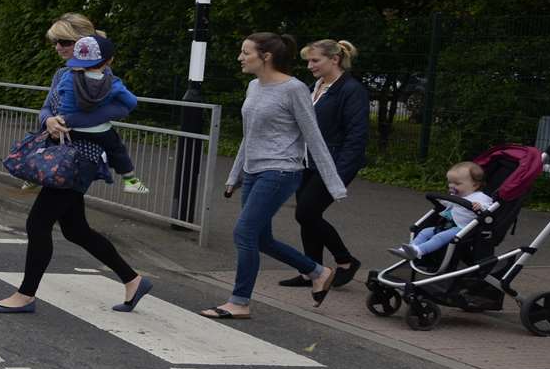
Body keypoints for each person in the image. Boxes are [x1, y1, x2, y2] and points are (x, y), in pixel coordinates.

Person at [0, 26, 155, 315]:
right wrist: (49, 120)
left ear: (82, 45)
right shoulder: (63, 75)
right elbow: (46, 108)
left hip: (77, 160)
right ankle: (133, 280)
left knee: (38, 223)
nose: (58, 48)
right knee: (76, 230)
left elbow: (118, 110)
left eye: (64, 42)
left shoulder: (102, 80)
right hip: (63, 155)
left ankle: (25, 295)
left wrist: (71, 119)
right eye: (55, 42)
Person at [202, 32, 348, 320]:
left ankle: (240, 301)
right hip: (255, 171)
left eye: (246, 53)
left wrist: (334, 185)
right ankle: (318, 272)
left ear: (265, 57)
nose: (240, 58)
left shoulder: (294, 90)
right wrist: (235, 175)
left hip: (281, 170)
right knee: (260, 239)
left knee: (243, 233)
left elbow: (313, 136)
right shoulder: (253, 87)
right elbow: (250, 135)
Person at [278, 39, 369, 289]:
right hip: (306, 162)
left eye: (315, 60)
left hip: (331, 165)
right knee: (308, 216)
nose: (309, 65)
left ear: (335, 60)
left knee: (305, 212)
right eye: (308, 60)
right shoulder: (314, 87)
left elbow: (356, 135)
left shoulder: (351, 90)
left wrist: (340, 172)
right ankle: (312, 270)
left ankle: (345, 261)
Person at [54, 36, 149, 194]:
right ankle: (130, 180)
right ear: (109, 60)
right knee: (117, 150)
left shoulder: (68, 77)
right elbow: (132, 102)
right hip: (101, 130)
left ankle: (34, 174)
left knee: (51, 144)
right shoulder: (113, 83)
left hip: (69, 127)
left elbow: (60, 93)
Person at [390, 161, 497, 264]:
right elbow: (446, 205)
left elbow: (488, 209)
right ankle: (409, 249)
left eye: (457, 183)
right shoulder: (455, 196)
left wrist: (480, 206)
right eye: (450, 182)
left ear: (475, 185)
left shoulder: (480, 197)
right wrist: (439, 199)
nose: (451, 186)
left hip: (462, 228)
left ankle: (419, 251)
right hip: (446, 225)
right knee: (424, 232)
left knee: (439, 237)